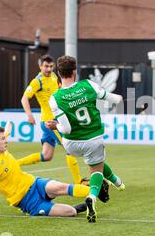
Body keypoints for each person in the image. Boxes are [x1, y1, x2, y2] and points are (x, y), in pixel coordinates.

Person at [46, 55, 125, 223]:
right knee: (96, 168)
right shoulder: (87, 85)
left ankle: (118, 182)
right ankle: (92, 197)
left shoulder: (55, 98)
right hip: (92, 138)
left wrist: (55, 127)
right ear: (75, 71)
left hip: (71, 144)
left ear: (59, 74)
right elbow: (113, 98)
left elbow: (65, 128)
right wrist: (119, 99)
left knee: (97, 161)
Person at [0, 126, 91, 218]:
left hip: (34, 183)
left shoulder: (2, 149)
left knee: (60, 187)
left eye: (5, 138)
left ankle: (95, 192)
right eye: (3, 139)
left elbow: (3, 135)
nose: (6, 141)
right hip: (27, 201)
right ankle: (76, 208)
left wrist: (6, 131)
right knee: (70, 212)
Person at [19, 54, 82, 185]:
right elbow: (24, 98)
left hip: (53, 120)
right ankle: (78, 182)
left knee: (47, 156)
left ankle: (15, 163)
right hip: (50, 122)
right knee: (70, 148)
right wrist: (29, 115)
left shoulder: (54, 76)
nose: (48, 69)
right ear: (40, 66)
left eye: (51, 66)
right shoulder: (37, 81)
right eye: (46, 66)